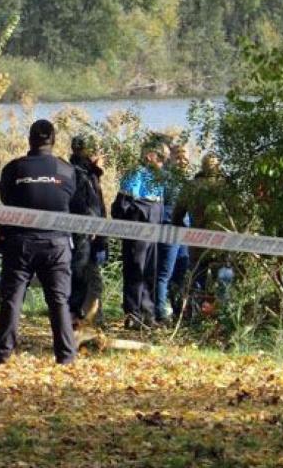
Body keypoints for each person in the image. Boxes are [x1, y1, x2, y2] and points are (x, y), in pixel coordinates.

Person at [0, 119, 78, 365]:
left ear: (30, 140)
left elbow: (6, 198)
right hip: (56, 244)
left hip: (20, 243)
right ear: (54, 140)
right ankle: (66, 356)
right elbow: (72, 201)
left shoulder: (14, 169)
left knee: (12, 299)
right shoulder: (66, 170)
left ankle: (1, 355)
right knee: (59, 300)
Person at [112, 134, 169, 328]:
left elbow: (160, 204)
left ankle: (148, 314)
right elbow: (123, 205)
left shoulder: (158, 175)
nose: (163, 163)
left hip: (154, 229)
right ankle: (133, 315)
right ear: (149, 155)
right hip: (138, 229)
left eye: (164, 160)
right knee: (135, 270)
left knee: (150, 272)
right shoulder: (135, 172)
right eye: (160, 158)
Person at [171, 152, 235, 318]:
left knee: (197, 279)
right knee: (223, 280)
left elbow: (177, 213)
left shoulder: (191, 186)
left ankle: (195, 317)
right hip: (223, 242)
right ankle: (222, 318)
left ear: (202, 166)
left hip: (197, 240)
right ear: (219, 166)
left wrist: (182, 227)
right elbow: (239, 213)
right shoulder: (227, 187)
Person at [68, 134, 108, 327]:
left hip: (92, 234)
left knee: (91, 279)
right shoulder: (80, 173)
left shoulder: (89, 172)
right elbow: (84, 204)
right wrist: (92, 225)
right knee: (86, 278)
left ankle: (91, 319)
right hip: (84, 235)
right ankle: (81, 319)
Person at [155, 142, 191, 322]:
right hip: (169, 227)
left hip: (185, 229)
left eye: (186, 157)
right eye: (179, 156)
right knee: (165, 272)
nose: (183, 160)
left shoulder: (187, 180)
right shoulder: (164, 177)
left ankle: (178, 311)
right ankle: (160, 311)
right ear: (171, 157)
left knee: (181, 272)